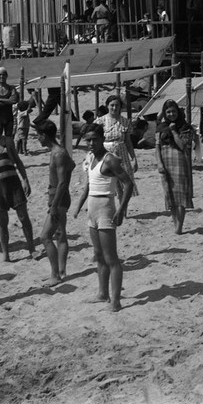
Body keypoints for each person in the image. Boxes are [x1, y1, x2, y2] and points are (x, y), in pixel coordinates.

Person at [71, 124, 135, 312]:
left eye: (94, 139)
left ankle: (116, 301)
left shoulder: (110, 160)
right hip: (92, 209)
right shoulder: (90, 158)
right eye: (87, 140)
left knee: (111, 258)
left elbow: (128, 183)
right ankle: (102, 293)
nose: (90, 143)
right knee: (99, 255)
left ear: (102, 138)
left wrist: (122, 209)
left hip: (106, 208)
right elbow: (89, 186)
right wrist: (79, 206)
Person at [0, 112, 36, 262]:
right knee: (2, 222)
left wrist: (25, 180)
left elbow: (18, 161)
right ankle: (6, 254)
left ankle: (32, 249)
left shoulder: (7, 141)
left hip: (14, 183)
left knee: (24, 217)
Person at [36, 120, 74, 283]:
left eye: (38, 135)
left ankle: (55, 275)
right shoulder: (59, 152)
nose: (38, 138)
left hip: (58, 198)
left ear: (44, 135)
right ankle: (61, 270)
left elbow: (62, 182)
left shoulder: (58, 153)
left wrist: (55, 205)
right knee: (60, 234)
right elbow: (71, 166)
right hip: (59, 196)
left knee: (45, 237)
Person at [155, 99, 195, 234]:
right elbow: (157, 147)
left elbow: (183, 146)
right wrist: (159, 163)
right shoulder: (161, 127)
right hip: (165, 160)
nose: (172, 114)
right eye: (168, 112)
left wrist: (173, 131)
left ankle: (179, 227)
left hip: (180, 161)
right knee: (170, 193)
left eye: (174, 111)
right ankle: (175, 223)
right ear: (165, 113)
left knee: (181, 194)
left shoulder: (184, 126)